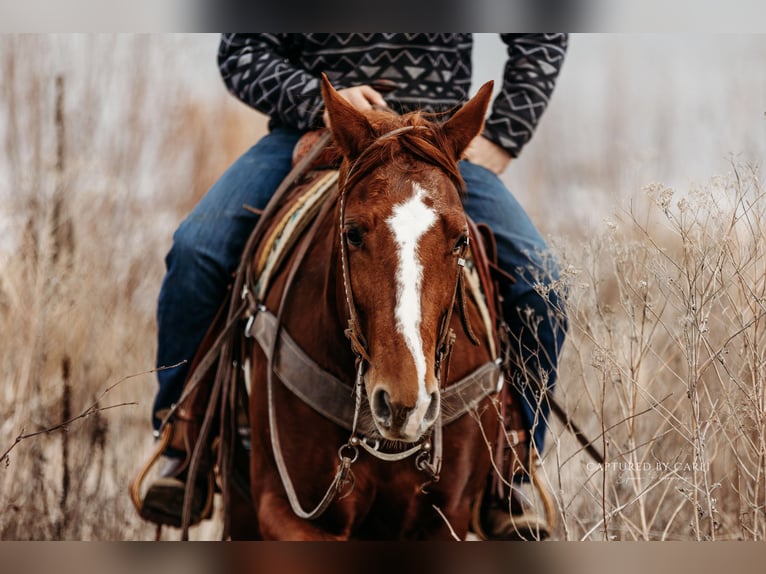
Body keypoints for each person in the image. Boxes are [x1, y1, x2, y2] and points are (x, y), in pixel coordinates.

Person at [144, 33, 569, 539]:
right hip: (320, 130)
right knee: (196, 251)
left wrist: (504, 133)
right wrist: (319, 99)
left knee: (541, 283)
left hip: (435, 148)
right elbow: (242, 50)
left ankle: (512, 463)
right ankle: (184, 436)